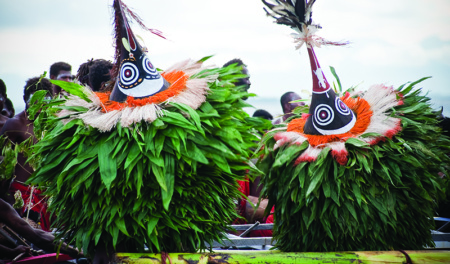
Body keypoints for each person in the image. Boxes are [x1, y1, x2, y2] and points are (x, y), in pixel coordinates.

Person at [0, 77, 53, 230]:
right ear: (25, 99)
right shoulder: (14, 125)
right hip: (20, 196)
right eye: (34, 101)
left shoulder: (52, 126)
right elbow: (3, 166)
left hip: (46, 197)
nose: (40, 107)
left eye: (45, 101)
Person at [0, 178, 82, 261]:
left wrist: (76, 251)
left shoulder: (3, 206)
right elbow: (37, 237)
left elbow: (36, 235)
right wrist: (10, 252)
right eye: (6, 182)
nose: (8, 185)